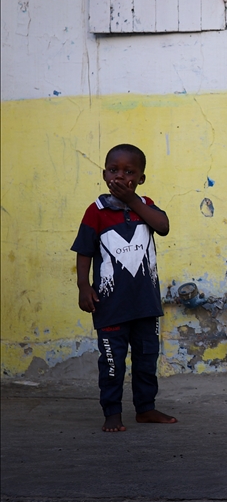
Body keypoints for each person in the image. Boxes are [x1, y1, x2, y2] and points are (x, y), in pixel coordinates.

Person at [71, 144, 177, 432]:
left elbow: (163, 226)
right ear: (104, 174)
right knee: (112, 363)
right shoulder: (96, 211)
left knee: (146, 359)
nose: (120, 176)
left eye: (129, 172)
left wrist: (134, 201)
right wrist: (83, 285)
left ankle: (145, 408)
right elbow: (83, 251)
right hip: (110, 306)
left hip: (145, 305)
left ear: (141, 178)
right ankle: (112, 413)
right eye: (114, 170)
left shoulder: (145, 206)